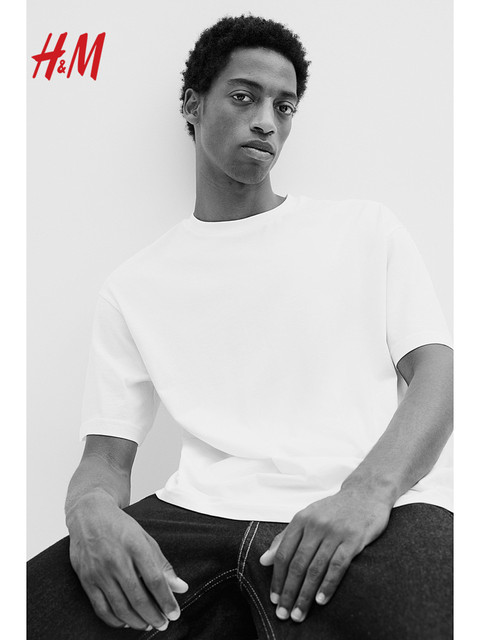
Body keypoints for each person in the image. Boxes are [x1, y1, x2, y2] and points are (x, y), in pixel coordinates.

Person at [27, 14, 453, 640]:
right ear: (192, 105)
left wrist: (367, 493)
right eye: (244, 97)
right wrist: (87, 509)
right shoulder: (134, 286)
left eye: (284, 106)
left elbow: (439, 375)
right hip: (196, 516)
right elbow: (106, 458)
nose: (266, 121)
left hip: (368, 505)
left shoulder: (365, 230)